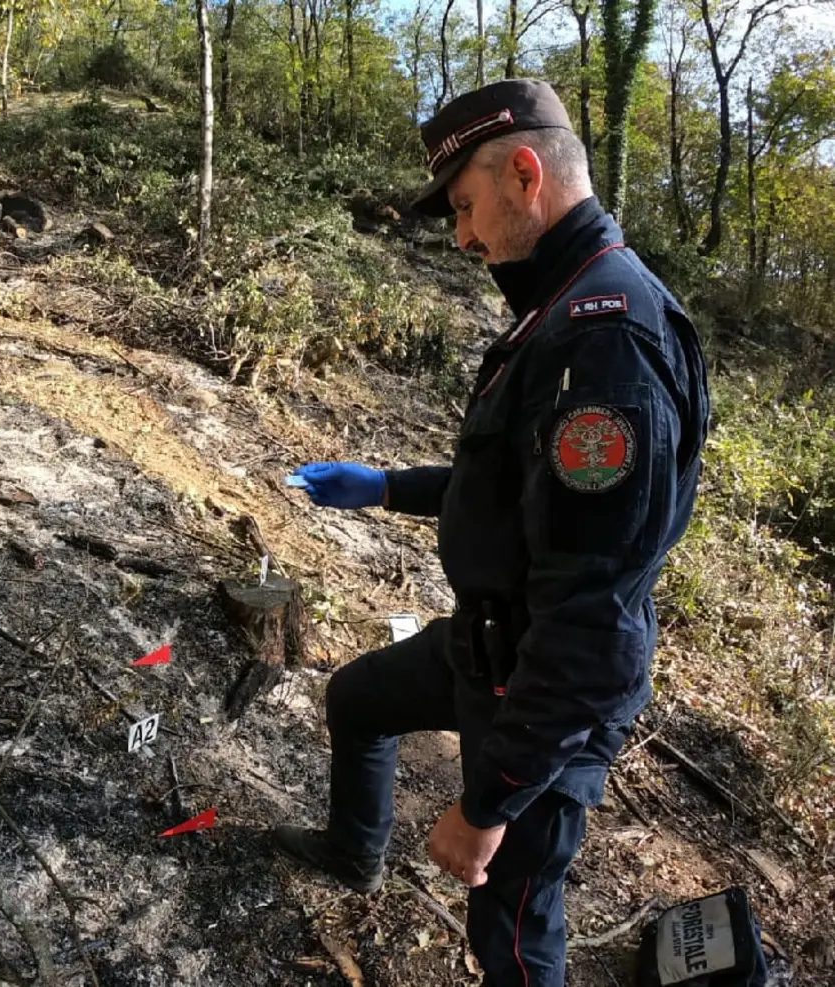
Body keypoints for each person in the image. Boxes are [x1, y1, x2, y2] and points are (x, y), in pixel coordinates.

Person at [273, 78, 710, 986]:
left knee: (510, 931)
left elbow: (592, 626)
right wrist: (385, 487)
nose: (464, 238)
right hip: (488, 648)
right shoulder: (561, 308)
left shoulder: (607, 344)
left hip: (546, 690)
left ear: (523, 174)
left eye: (467, 209)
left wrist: (486, 803)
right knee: (357, 700)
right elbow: (516, 491)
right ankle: (354, 852)